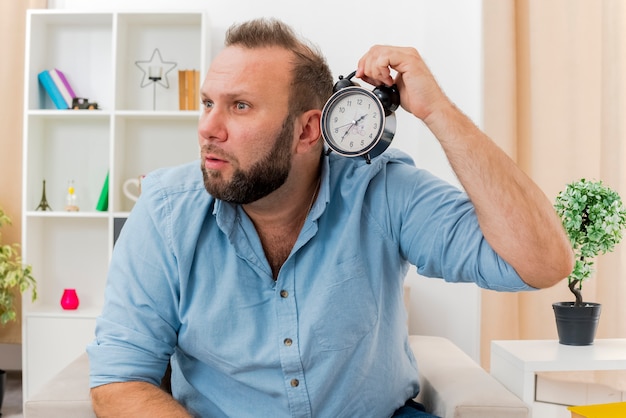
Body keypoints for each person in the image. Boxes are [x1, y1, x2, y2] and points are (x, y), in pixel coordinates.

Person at [88, 18, 574, 418]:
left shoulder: (380, 190)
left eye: (240, 106)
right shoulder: (165, 211)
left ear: (308, 129)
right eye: (208, 104)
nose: (208, 129)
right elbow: (119, 378)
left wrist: (438, 110)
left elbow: (543, 263)